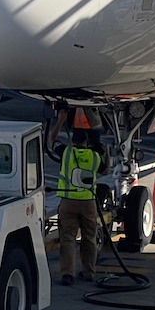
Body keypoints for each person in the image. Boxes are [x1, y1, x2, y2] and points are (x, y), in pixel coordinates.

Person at [55, 116, 109, 285]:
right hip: (88, 202)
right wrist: (105, 150)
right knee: (89, 238)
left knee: (68, 239)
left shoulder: (67, 152)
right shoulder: (94, 156)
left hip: (68, 200)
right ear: (87, 142)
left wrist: (61, 120)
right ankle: (88, 273)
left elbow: (50, 142)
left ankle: (67, 274)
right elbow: (106, 170)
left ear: (73, 140)